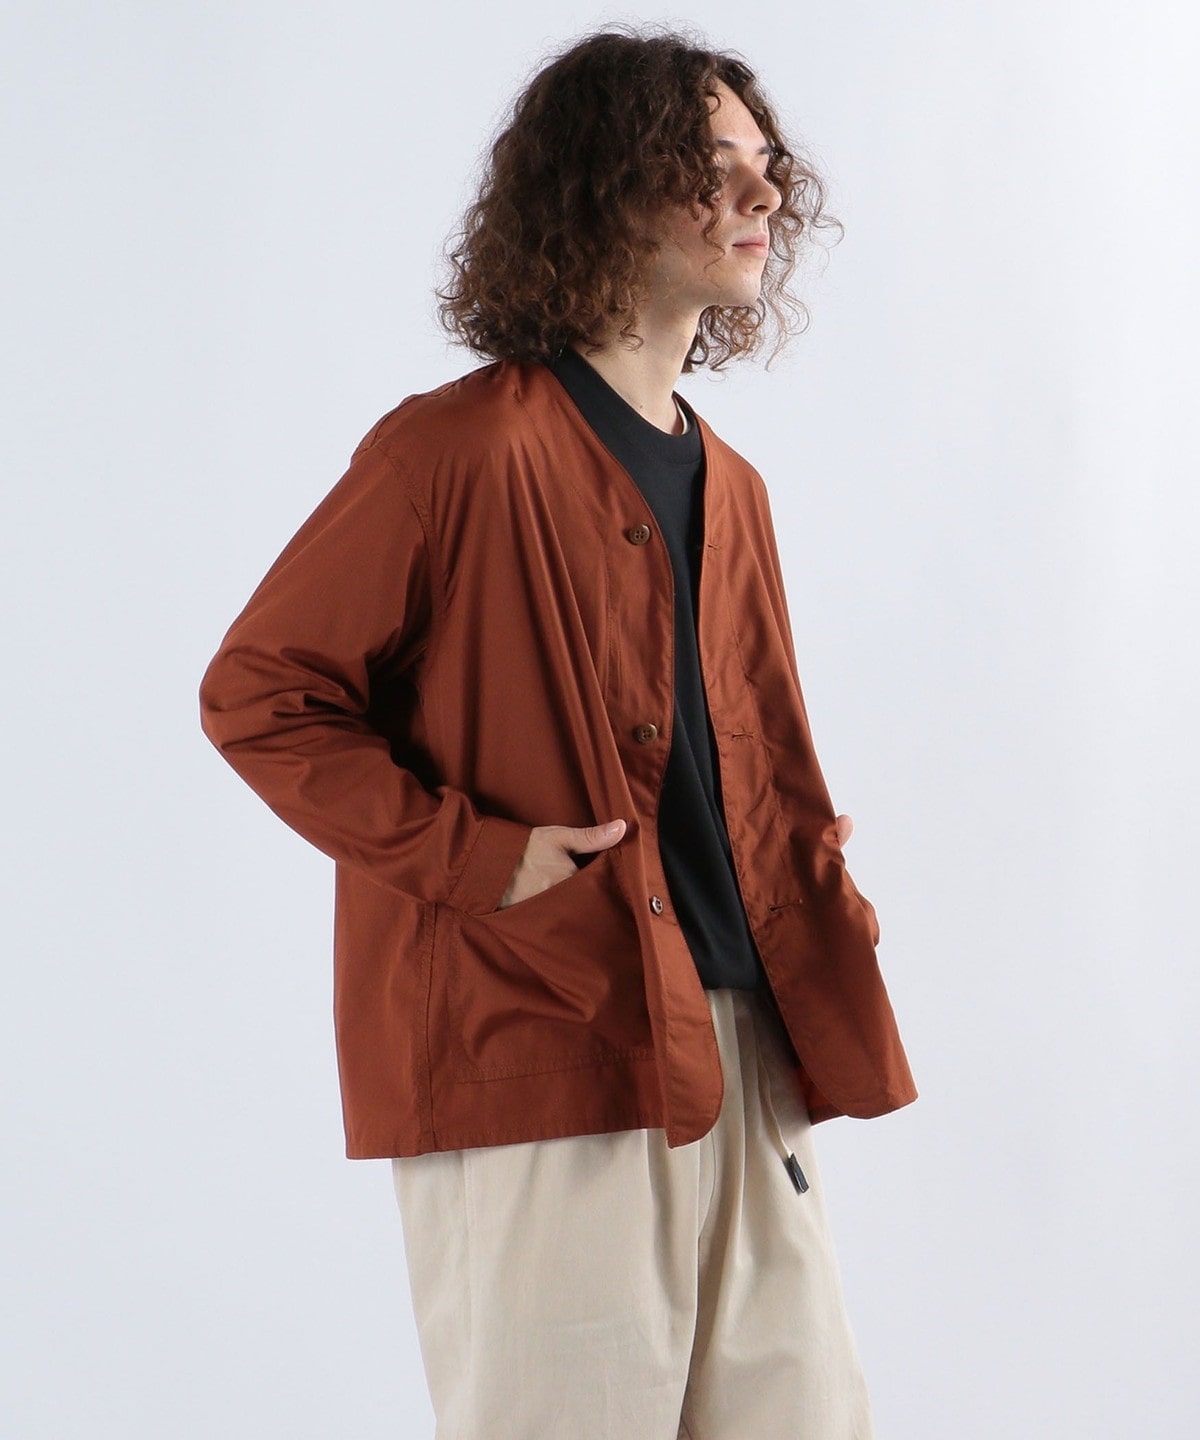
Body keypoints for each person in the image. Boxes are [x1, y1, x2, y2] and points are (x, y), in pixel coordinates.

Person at [198, 23, 917, 1440]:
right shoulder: (456, 450)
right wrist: (481, 857)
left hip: (742, 1046)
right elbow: (262, 694)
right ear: (607, 187)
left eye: (765, 162)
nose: (763, 193)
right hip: (543, 1044)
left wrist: (802, 883)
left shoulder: (734, 484)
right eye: (711, 165)